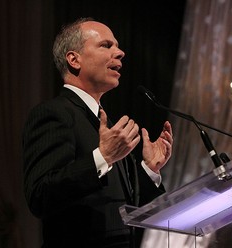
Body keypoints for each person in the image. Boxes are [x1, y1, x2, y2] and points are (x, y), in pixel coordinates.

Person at [22, 17, 173, 248]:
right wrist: (103, 157)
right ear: (74, 59)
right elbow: (40, 196)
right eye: (106, 45)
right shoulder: (53, 114)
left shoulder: (107, 124)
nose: (120, 52)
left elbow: (125, 208)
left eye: (117, 45)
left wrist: (149, 169)